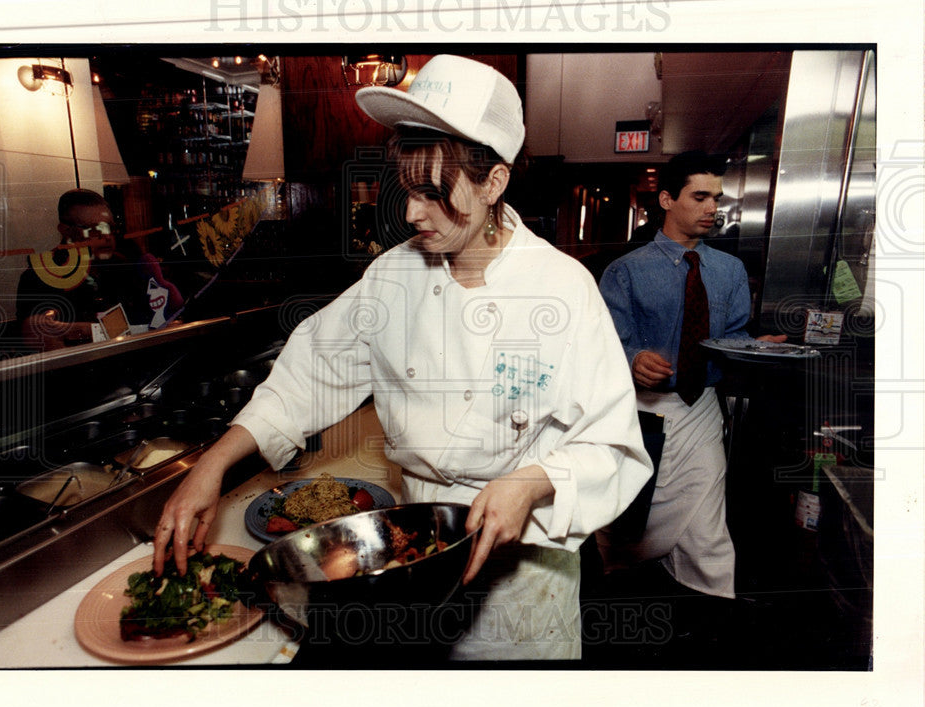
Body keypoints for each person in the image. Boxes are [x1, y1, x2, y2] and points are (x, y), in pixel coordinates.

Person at [152, 55, 653, 661]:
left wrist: (532, 481)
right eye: (410, 190)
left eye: (436, 194)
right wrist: (213, 463)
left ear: (494, 182)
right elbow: (312, 369)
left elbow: (613, 444)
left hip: (521, 568)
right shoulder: (393, 276)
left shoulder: (562, 287)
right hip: (414, 547)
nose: (413, 214)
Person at [596, 151, 786, 600]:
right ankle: (615, 594)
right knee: (631, 520)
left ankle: (711, 618)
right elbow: (602, 343)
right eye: (699, 197)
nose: (711, 208)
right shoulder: (625, 271)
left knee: (707, 527)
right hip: (643, 412)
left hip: (700, 406)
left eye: (716, 198)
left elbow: (733, 334)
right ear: (666, 199)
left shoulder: (729, 270)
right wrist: (633, 358)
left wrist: (757, 346)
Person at [16, 189, 183, 351]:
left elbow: (151, 318)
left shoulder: (123, 266)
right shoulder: (41, 277)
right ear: (65, 231)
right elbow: (41, 341)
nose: (107, 237)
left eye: (110, 227)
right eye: (95, 230)